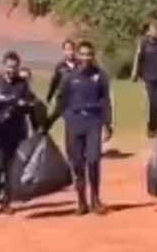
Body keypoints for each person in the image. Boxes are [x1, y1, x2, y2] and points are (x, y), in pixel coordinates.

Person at [48, 40, 113, 215]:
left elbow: (106, 101)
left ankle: (95, 200)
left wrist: (108, 124)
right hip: (74, 122)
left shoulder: (100, 76)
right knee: (77, 163)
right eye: (83, 54)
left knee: (93, 160)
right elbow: (61, 101)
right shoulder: (69, 77)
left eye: (89, 54)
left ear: (93, 56)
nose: (86, 58)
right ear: (77, 55)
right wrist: (49, 121)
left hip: (93, 122)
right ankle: (82, 202)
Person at [0, 51, 35, 215]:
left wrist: (22, 104)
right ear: (4, 65)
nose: (11, 70)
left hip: (15, 130)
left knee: (10, 167)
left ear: (18, 67)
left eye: (14, 67)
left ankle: (6, 201)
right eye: (9, 66)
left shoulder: (22, 84)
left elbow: (31, 104)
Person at [131, 22, 157, 138]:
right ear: (147, 32)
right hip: (148, 76)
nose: (155, 31)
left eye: (156, 29)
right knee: (153, 103)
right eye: (152, 29)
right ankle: (152, 127)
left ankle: (152, 122)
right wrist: (135, 73)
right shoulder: (143, 44)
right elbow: (138, 59)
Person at [45, 40, 76, 104]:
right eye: (68, 49)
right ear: (64, 51)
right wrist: (50, 96)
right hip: (64, 100)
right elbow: (54, 82)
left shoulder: (81, 65)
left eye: (72, 49)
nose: (70, 52)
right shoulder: (60, 66)